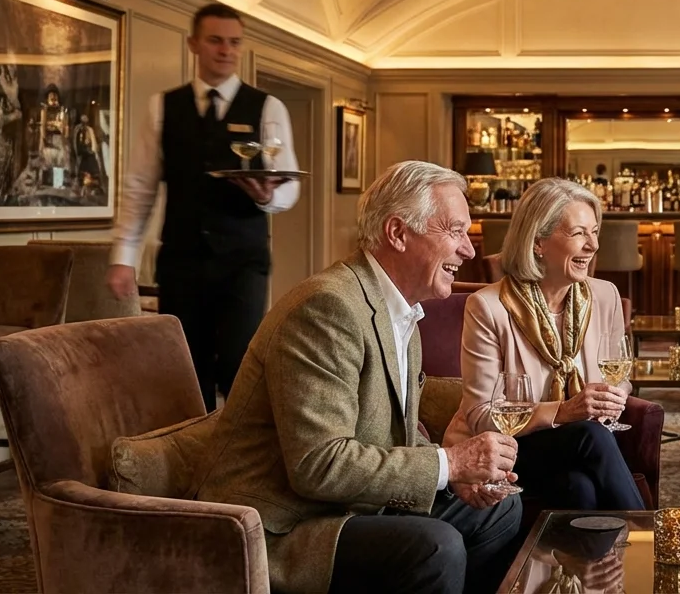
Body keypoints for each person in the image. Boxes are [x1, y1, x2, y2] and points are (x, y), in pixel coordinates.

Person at [194, 160, 523, 594]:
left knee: (500, 513)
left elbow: (387, 431)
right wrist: (452, 463)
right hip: (284, 525)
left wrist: (457, 478)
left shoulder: (402, 309)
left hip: (349, 503)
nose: (468, 250)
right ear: (397, 233)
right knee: (434, 546)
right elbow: (318, 465)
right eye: (455, 231)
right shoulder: (326, 309)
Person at [106, 3, 300, 411]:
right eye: (215, 40)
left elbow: (289, 184)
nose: (225, 50)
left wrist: (267, 196)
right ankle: (190, 458)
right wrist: (123, 257)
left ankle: (238, 458)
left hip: (242, 260)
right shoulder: (164, 107)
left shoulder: (267, 107)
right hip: (182, 258)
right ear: (194, 43)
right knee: (185, 367)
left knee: (237, 362)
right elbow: (140, 186)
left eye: (234, 42)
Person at [443, 177, 645, 511]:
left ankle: (594, 563)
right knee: (591, 436)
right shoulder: (488, 307)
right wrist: (565, 411)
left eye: (594, 232)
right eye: (579, 233)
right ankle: (647, 538)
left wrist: (615, 395)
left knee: (578, 486)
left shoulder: (605, 296)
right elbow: (481, 416)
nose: (593, 245)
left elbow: (619, 377)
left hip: (578, 450)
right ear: (538, 241)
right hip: (513, 448)